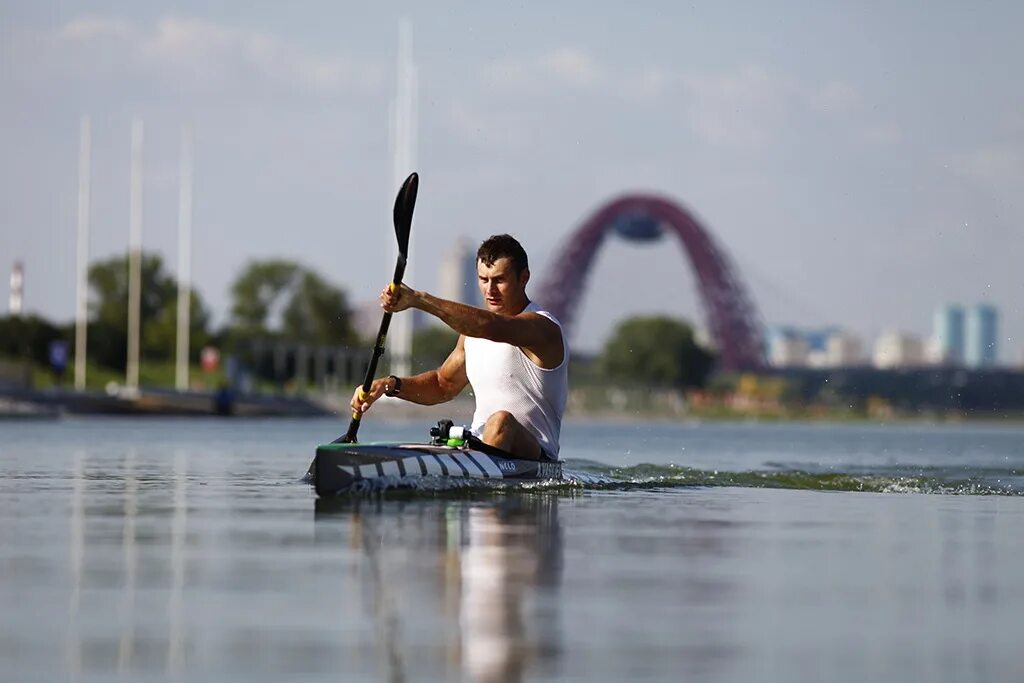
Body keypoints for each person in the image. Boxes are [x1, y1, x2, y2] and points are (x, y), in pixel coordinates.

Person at [351, 234, 568, 461]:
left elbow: (490, 326)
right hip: (480, 447)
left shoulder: (543, 328)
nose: (490, 290)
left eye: (499, 280)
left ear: (524, 278)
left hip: (535, 459)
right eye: (483, 279)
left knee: (500, 421)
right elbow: (442, 385)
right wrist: (389, 385)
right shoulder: (471, 336)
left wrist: (419, 300)